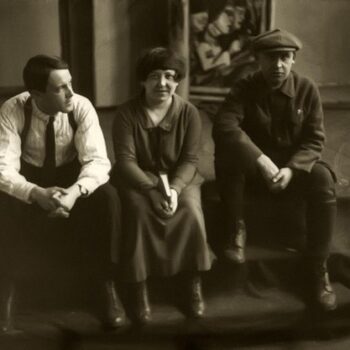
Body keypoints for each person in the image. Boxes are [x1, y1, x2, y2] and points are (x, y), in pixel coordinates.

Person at [212, 29, 337, 311]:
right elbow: (225, 126)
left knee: (323, 177)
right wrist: (261, 160)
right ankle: (236, 228)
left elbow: (314, 140)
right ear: (257, 59)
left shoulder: (307, 89)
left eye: (285, 58)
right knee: (228, 153)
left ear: (293, 60)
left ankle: (318, 267)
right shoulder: (244, 88)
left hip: (291, 175)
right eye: (271, 58)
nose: (278, 65)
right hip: (254, 173)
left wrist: (292, 170)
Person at [0, 55, 125, 331]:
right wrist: (35, 193)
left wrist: (73, 193)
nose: (71, 93)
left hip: (70, 177)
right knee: (2, 202)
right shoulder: (13, 109)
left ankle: (106, 285)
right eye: (60, 88)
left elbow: (97, 161)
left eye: (70, 83)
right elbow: (3, 168)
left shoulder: (80, 106)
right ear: (36, 93)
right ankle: (6, 287)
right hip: (30, 178)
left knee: (109, 199)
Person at [111, 47, 214, 324]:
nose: (163, 84)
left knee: (191, 211)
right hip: (137, 178)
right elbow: (125, 160)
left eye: (170, 76)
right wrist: (150, 190)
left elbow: (191, 159)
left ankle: (192, 284)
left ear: (178, 81)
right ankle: (139, 287)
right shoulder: (126, 114)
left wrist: (176, 189)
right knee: (139, 211)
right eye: (154, 76)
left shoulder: (189, 113)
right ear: (142, 81)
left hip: (180, 177)